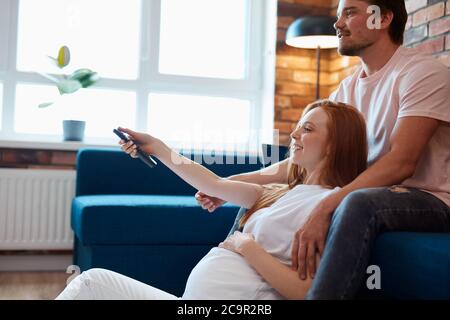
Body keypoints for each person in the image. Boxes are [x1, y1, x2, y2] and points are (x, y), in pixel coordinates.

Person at [196, 0, 450, 299]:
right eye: (339, 14)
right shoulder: (345, 90)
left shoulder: (422, 73)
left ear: (383, 19)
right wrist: (227, 185)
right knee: (267, 197)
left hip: (429, 199)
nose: (337, 23)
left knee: (358, 202)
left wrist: (324, 207)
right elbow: (295, 164)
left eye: (350, 12)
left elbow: (401, 163)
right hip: (364, 191)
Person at [56, 100, 367, 300]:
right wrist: (159, 148)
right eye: (299, 124)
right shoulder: (276, 192)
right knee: (90, 283)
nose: (295, 133)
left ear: (335, 146)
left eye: (308, 128)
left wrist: (248, 246)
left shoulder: (328, 208)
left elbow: (306, 293)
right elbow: (213, 183)